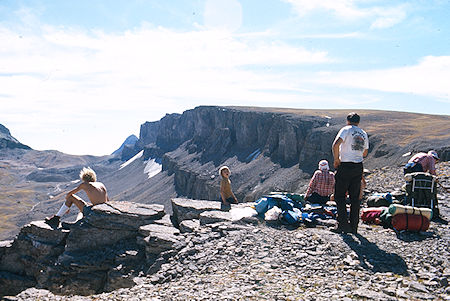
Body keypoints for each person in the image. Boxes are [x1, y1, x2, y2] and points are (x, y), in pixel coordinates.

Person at [332, 112, 369, 234]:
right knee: (355, 198)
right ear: (358, 121)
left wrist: (337, 160)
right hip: (358, 166)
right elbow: (365, 153)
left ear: (348, 120)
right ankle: (354, 226)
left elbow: (336, 144)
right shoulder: (363, 133)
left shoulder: (346, 129)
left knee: (340, 196)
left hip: (345, 165)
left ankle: (342, 224)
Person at [45, 167, 109, 227]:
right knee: (85, 206)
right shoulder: (101, 184)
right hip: (103, 212)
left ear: (83, 178)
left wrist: (67, 207)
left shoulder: (85, 184)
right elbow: (107, 200)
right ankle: (78, 222)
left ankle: (56, 219)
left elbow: (69, 194)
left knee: (71, 197)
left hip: (95, 212)